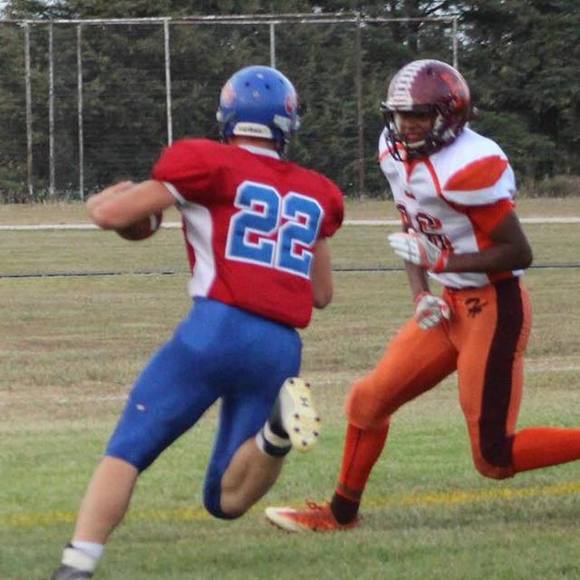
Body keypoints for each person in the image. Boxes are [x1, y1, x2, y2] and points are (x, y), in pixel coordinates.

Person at [50, 65, 344, 578]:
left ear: (228, 116)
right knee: (226, 500)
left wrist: (102, 200)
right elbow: (321, 295)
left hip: (217, 327)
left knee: (128, 449)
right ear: (286, 125)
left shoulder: (208, 161)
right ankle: (276, 432)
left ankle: (77, 566)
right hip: (280, 348)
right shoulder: (317, 191)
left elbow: (112, 216)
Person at [264, 58, 580, 533]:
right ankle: (340, 514)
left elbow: (519, 251)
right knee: (367, 402)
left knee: (493, 456)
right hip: (449, 304)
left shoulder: (470, 165)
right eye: (400, 114)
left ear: (449, 116)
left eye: (419, 115)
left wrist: (442, 263)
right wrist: (420, 294)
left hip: (494, 305)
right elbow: (411, 229)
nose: (406, 125)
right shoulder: (394, 152)